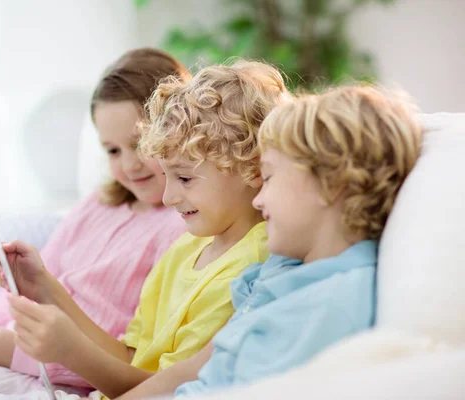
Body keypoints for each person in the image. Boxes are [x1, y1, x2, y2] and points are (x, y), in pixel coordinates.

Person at [0, 60, 290, 399]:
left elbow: (164, 392)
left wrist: (71, 352)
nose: (167, 197)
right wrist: (46, 289)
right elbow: (131, 358)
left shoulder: (250, 270)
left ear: (252, 168)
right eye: (166, 176)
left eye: (184, 178)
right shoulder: (186, 249)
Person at [116, 84, 423, 399]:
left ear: (330, 186)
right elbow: (201, 367)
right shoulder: (284, 265)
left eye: (270, 177)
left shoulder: (331, 306)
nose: (258, 199)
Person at [0, 48, 190, 390]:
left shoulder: (181, 228)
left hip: (54, 373)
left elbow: (132, 361)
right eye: (112, 150)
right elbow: (35, 286)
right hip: (10, 350)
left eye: (139, 143)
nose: (128, 165)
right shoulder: (97, 206)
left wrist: (17, 354)